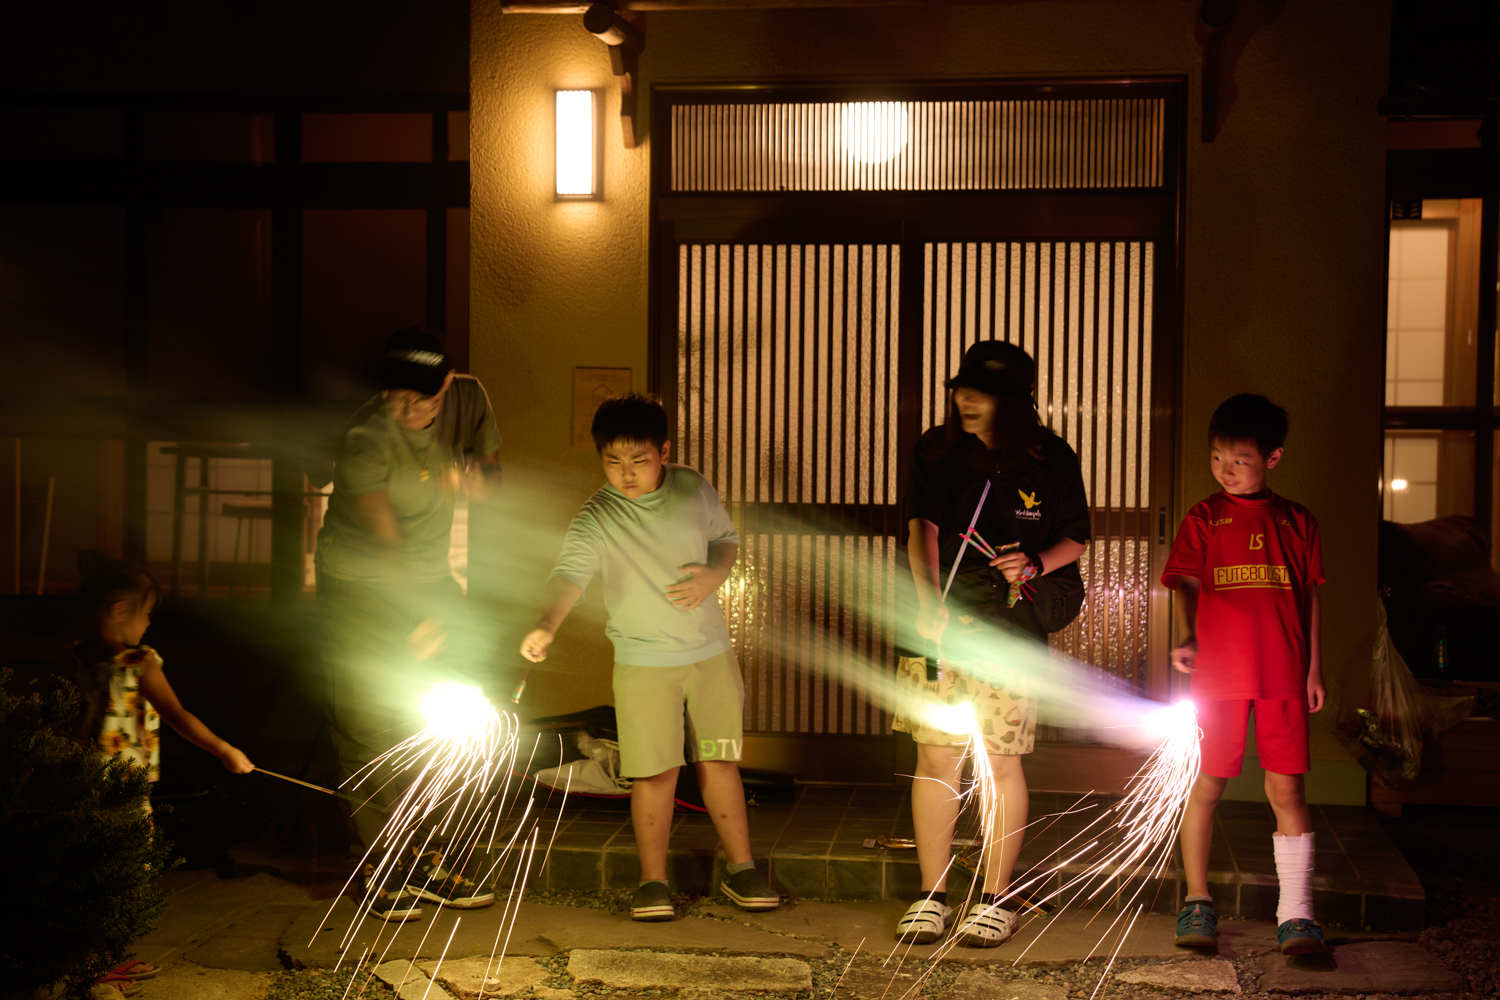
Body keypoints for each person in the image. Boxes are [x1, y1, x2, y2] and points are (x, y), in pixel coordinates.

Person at [519, 392, 780, 922]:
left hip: (710, 653)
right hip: (643, 662)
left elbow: (725, 541)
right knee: (653, 771)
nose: (627, 473)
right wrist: (546, 625)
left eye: (638, 460)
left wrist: (714, 576)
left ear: (663, 451)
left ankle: (741, 867)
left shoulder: (692, 488)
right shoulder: (597, 515)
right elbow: (569, 575)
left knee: (718, 759)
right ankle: (652, 881)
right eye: (613, 462)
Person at [893, 340, 1090, 948]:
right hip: (941, 630)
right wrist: (928, 605)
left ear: (1017, 402)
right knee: (935, 758)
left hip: (1010, 635)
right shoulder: (937, 450)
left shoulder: (1050, 457)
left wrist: (1031, 564)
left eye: (982, 392)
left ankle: (995, 896)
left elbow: (1076, 539)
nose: (966, 400)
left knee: (1002, 761)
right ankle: (932, 895)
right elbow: (920, 528)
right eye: (962, 389)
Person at [315, 326, 501, 921]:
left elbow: (490, 472)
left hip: (430, 577)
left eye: (424, 400)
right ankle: (382, 864)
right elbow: (383, 539)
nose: (409, 410)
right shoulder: (365, 436)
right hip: (362, 584)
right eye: (398, 397)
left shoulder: (469, 399)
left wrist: (477, 482)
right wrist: (418, 614)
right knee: (369, 721)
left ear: (448, 384)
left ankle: (432, 857)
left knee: (444, 716)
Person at [1163, 394, 1325, 955]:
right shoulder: (1204, 517)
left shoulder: (1297, 520)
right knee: (1207, 784)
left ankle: (1297, 914)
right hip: (1218, 678)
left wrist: (1313, 669)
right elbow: (1183, 581)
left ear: (1273, 459)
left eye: (1239, 460)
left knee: (1287, 788)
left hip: (1281, 673)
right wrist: (1187, 636)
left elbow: (1308, 599)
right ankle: (1198, 901)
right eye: (1216, 459)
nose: (1225, 470)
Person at [66, 551, 254, 990]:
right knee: (124, 873)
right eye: (146, 614)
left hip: (78, 784)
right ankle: (104, 960)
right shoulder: (139, 662)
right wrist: (224, 749)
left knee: (86, 869)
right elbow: (174, 712)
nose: (149, 624)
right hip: (122, 788)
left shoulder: (74, 658)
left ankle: (84, 954)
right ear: (119, 611)